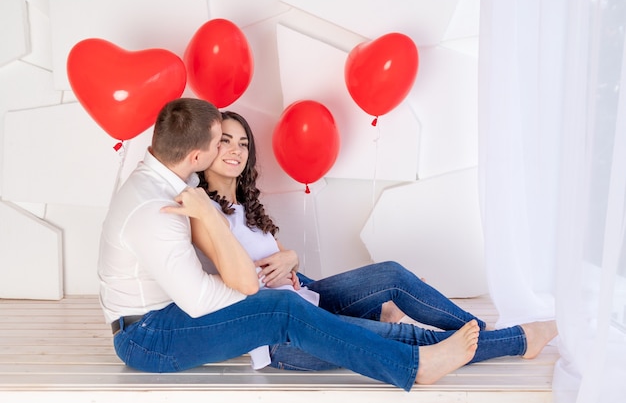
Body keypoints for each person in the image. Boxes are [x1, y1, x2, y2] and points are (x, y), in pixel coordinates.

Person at [97, 97, 485, 392]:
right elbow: (201, 301)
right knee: (281, 308)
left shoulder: (173, 183)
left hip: (165, 315)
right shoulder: (157, 207)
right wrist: (268, 302)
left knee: (293, 303)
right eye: (219, 143)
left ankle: (482, 337)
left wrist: (288, 279)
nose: (226, 151)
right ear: (197, 155)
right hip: (147, 336)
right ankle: (413, 367)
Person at [195, 110, 558, 372]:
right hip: (285, 339)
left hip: (309, 301)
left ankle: (479, 327)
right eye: (225, 141)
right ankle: (520, 340)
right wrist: (285, 264)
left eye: (243, 143)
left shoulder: (244, 208)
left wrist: (290, 257)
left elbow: (277, 269)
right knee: (398, 337)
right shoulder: (204, 211)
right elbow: (239, 281)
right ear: (206, 148)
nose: (236, 150)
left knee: (392, 275)